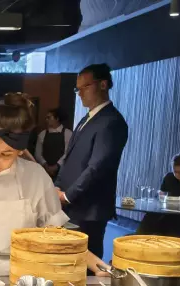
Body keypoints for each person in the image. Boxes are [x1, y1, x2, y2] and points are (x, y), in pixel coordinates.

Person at [0, 93, 108, 277]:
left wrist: (96, 265)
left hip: (22, 272)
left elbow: (57, 233)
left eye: (6, 154)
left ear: (20, 151)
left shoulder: (36, 177)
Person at [55, 63, 129, 259]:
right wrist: (56, 186)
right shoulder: (87, 118)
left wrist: (68, 195)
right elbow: (69, 158)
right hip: (72, 205)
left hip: (89, 208)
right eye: (77, 89)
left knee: (86, 263)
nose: (80, 93)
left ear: (103, 85)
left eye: (85, 87)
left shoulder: (112, 121)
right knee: (67, 258)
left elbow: (98, 167)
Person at [137, 154, 180, 236]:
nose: (176, 174)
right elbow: (159, 195)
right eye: (174, 172)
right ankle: (139, 238)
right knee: (149, 216)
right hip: (166, 211)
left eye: (179, 172)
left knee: (173, 221)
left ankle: (168, 240)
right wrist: (160, 194)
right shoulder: (169, 177)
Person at [34, 108, 72, 179]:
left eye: (49, 117)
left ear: (57, 119)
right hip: (45, 171)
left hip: (62, 172)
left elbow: (68, 153)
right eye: (46, 118)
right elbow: (38, 153)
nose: (46, 120)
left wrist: (57, 166)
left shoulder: (68, 134)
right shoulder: (42, 134)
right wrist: (45, 165)